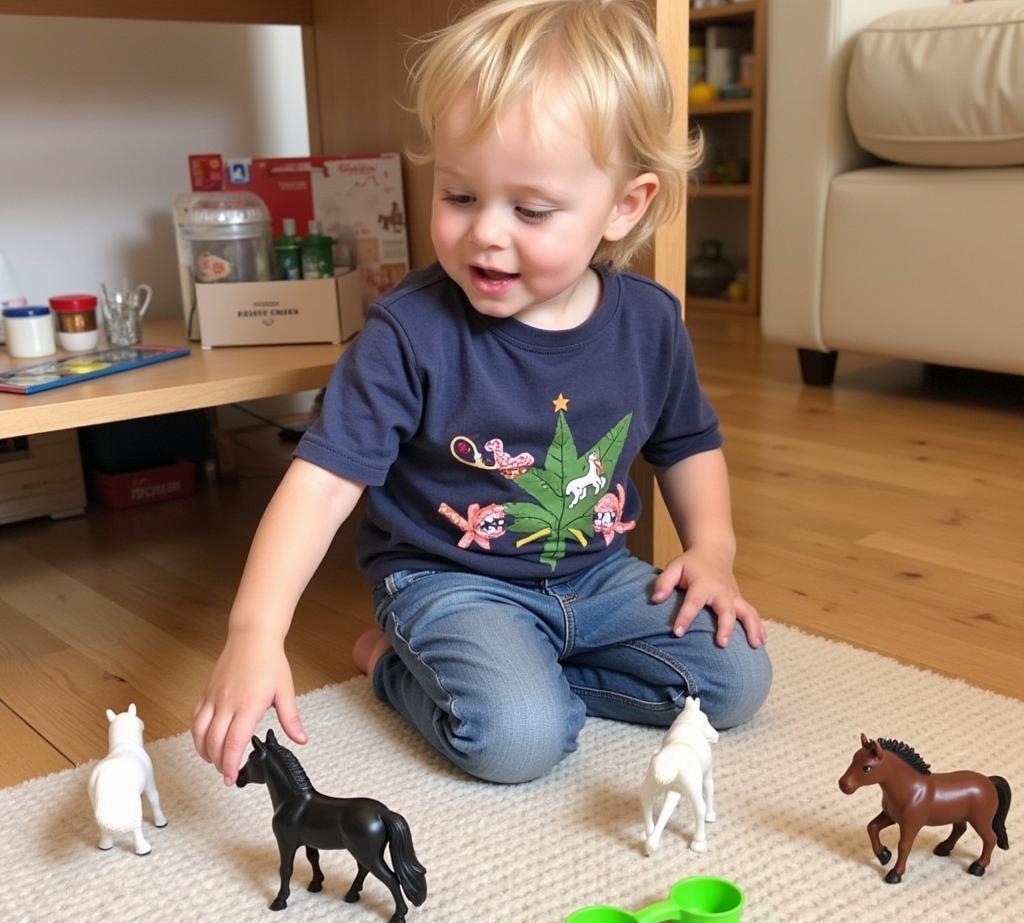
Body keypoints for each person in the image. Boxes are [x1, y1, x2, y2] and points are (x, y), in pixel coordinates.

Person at [192, 0, 771, 787]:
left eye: (530, 210)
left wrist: (713, 550)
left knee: (737, 682)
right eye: (459, 196)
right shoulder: (408, 333)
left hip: (596, 575)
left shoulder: (650, 323)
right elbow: (322, 485)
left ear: (624, 206)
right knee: (518, 742)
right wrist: (255, 632)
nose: (485, 233)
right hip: (448, 580)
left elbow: (688, 443)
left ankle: (531, 673)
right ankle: (393, 666)